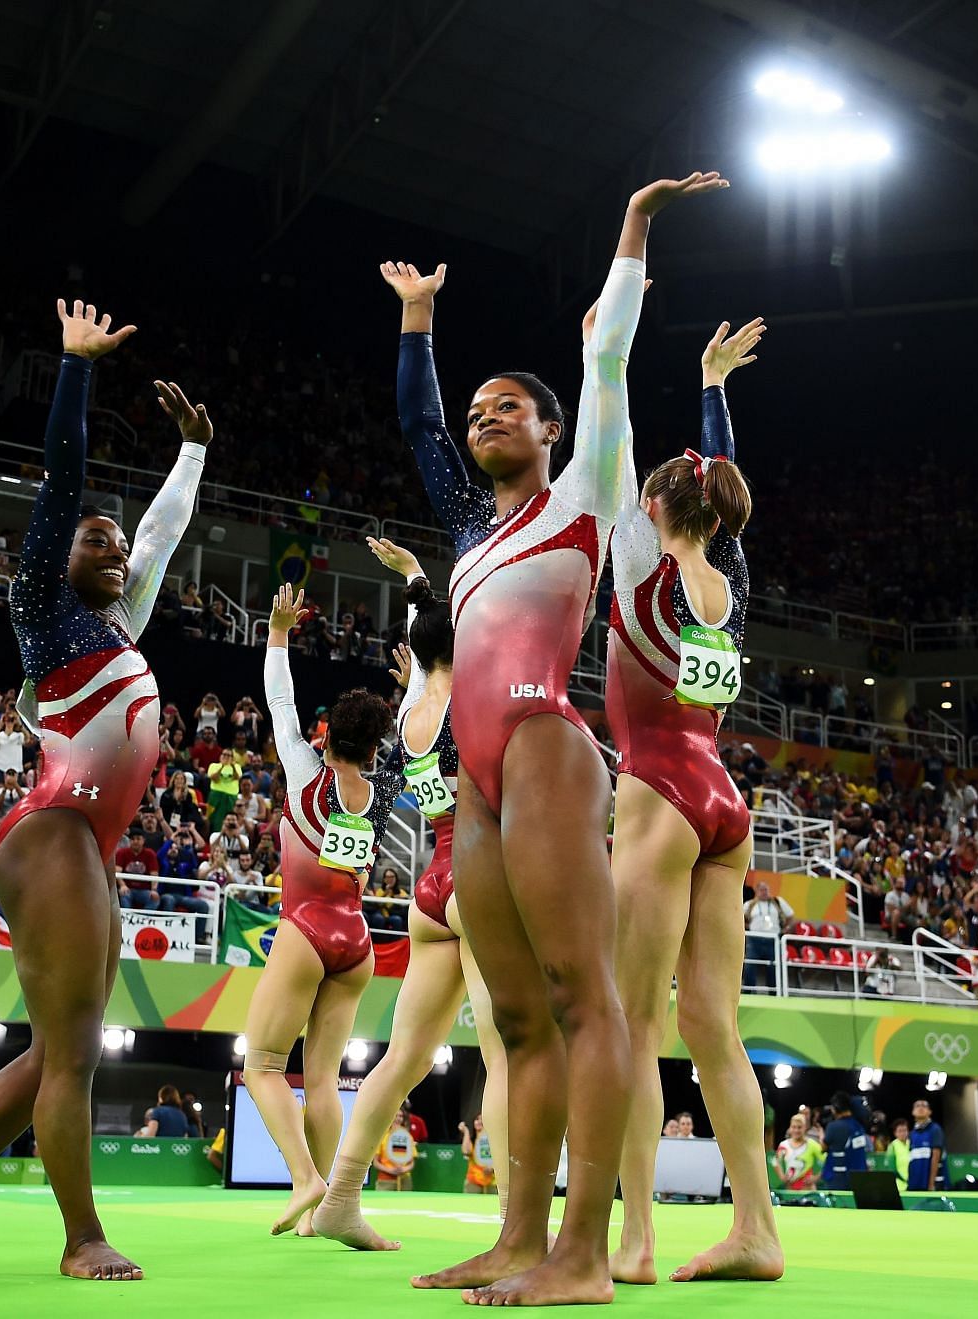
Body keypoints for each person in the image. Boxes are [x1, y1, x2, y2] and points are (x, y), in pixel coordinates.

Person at [383, 171, 720, 1305]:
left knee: (588, 1000)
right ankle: (516, 1235)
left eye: (507, 409)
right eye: (479, 412)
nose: (484, 421)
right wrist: (417, 323)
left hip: (543, 746)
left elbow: (612, 355)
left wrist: (630, 226)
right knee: (516, 1017)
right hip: (473, 777)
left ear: (553, 428)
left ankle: (586, 1252)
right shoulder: (474, 537)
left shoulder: (584, 489)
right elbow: (419, 424)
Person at [0, 301, 213, 1282]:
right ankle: (80, 1237)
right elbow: (64, 484)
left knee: (56, 1050)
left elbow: (156, 536)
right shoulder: (44, 613)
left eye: (115, 550)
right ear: (54, 561)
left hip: (88, 850)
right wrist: (76, 369)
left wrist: (193, 452)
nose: (115, 555)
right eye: (94, 544)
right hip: (53, 830)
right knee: (73, 1056)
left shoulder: (117, 626)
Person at [603, 304, 775, 1284]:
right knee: (715, 1024)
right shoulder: (731, 578)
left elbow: (614, 436)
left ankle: (634, 1236)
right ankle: (757, 1227)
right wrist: (711, 389)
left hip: (660, 792)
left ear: (659, 509)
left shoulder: (643, 561)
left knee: (635, 1021)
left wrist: (613, 345)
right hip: (724, 801)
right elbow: (712, 476)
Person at [314, 538, 508, 1251]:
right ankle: (516, 1222)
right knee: (505, 1049)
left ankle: (339, 1197)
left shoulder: (411, 712)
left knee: (404, 1057)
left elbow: (430, 634)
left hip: (432, 885)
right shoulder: (481, 701)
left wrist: (416, 580)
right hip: (485, 879)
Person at [241, 582, 401, 1236]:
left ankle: (306, 1176)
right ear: (375, 745)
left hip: (305, 928)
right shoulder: (381, 788)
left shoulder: (307, 771)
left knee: (264, 1065)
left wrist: (279, 631)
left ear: (328, 731)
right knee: (326, 1079)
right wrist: (420, 681)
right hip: (356, 942)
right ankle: (338, 1208)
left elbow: (280, 698)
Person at [740, 882, 793, 992]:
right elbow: (740, 918)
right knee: (750, 966)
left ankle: (774, 992)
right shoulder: (749, 905)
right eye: (762, 890)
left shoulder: (778, 902)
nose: (764, 892)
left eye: (766, 889)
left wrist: (785, 928)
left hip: (773, 939)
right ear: (757, 891)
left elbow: (790, 915)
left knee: (774, 968)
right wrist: (747, 926)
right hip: (754, 940)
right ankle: (749, 992)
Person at [820, 1093, 870, 1192]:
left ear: (835, 1108)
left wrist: (821, 1136)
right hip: (859, 1179)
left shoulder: (834, 1127)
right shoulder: (859, 1125)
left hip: (839, 1181)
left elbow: (823, 1148)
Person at [772, 1112, 823, 1191]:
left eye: (799, 1127)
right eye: (794, 1127)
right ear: (790, 1128)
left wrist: (816, 1178)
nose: (796, 1130)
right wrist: (782, 1177)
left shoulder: (812, 1144)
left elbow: (828, 1162)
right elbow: (775, 1162)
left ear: (805, 1128)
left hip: (807, 1190)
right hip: (790, 1190)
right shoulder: (784, 1145)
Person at [907, 1097, 947, 1191]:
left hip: (930, 1185)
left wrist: (931, 1184)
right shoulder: (912, 1134)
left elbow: (936, 1157)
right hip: (915, 1184)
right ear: (913, 1112)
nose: (920, 1108)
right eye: (917, 1106)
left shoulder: (935, 1129)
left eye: (924, 1106)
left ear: (929, 1112)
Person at [374, 1107, 418, 1192]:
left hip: (405, 1180)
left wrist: (404, 1169)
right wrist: (390, 1170)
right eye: (395, 1116)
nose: (398, 1118)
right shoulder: (382, 1136)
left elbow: (411, 1162)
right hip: (385, 1180)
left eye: (400, 1116)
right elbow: (376, 1162)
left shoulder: (407, 1136)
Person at [461, 1114, 496, 1195]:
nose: (479, 1121)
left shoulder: (494, 1141)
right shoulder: (472, 1140)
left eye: (482, 1119)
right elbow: (466, 1151)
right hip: (474, 1181)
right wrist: (466, 1131)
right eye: (477, 1119)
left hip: (492, 1182)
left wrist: (493, 1168)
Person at [889, 1119, 915, 1191]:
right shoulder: (892, 1146)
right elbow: (892, 1169)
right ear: (895, 1133)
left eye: (905, 1130)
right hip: (899, 1186)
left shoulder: (912, 1143)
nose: (903, 1133)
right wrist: (904, 1180)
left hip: (913, 1184)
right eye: (900, 1131)